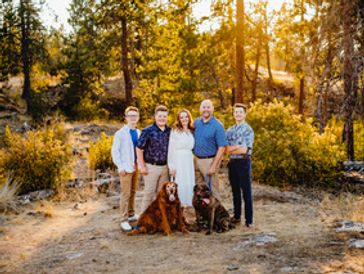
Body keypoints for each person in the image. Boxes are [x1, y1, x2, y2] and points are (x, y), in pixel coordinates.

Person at [136, 105, 171, 212]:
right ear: (155, 116)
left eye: (164, 116)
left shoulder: (170, 131)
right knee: (149, 194)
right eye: (160, 116)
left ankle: (159, 220)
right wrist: (142, 166)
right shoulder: (147, 131)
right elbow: (139, 148)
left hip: (165, 168)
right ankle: (143, 221)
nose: (162, 118)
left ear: (167, 117)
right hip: (151, 167)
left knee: (162, 195)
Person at [111, 106, 141, 231]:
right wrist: (120, 166)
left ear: (138, 118)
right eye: (130, 116)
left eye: (135, 116)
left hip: (136, 166)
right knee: (125, 193)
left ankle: (131, 213)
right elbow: (115, 151)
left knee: (133, 191)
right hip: (125, 168)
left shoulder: (139, 132)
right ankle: (123, 219)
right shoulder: (120, 133)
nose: (133, 118)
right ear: (126, 117)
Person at [226, 103, 254, 228]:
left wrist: (234, 148)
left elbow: (245, 150)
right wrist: (237, 147)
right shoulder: (230, 130)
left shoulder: (248, 130)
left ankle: (249, 220)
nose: (238, 114)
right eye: (236, 112)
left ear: (245, 114)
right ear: (233, 114)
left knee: (246, 192)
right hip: (232, 163)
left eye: (240, 112)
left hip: (243, 162)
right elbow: (226, 149)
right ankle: (237, 217)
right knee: (235, 191)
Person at [193, 99, 227, 201]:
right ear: (200, 109)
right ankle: (202, 214)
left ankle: (217, 214)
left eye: (208, 107)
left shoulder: (218, 125)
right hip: (196, 160)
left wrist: (214, 165)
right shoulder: (196, 122)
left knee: (213, 190)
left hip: (209, 160)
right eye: (204, 107)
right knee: (198, 189)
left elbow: (222, 147)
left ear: (212, 109)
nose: (206, 109)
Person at [168, 109, 195, 207]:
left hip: (188, 160)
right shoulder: (175, 131)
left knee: (188, 181)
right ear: (179, 119)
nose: (184, 119)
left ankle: (188, 203)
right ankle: (179, 204)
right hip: (178, 160)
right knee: (180, 181)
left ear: (189, 118)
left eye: (186, 116)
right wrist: (171, 166)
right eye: (181, 117)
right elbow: (171, 150)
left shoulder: (191, 131)